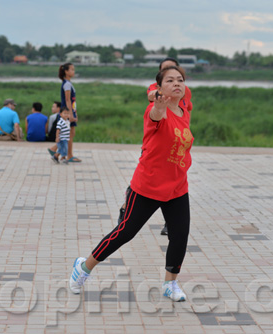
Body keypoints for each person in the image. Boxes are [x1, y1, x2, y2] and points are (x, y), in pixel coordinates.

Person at [70, 66, 194, 302]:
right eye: (170, 81)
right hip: (148, 185)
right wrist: (157, 102)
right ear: (159, 87)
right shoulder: (155, 111)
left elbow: (177, 96)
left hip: (178, 186)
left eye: (180, 80)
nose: (177, 84)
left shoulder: (184, 107)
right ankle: (83, 267)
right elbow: (156, 109)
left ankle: (170, 283)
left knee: (180, 234)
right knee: (125, 232)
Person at [119, 57, 194, 237]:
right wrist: (159, 102)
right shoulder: (156, 90)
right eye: (167, 73)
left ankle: (171, 223)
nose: (175, 80)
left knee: (174, 188)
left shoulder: (184, 91)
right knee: (130, 226)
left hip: (176, 140)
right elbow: (153, 98)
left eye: (177, 75)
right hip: (158, 136)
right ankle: (127, 207)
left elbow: (188, 106)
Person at [59, 63, 81, 162]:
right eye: (71, 70)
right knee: (70, 134)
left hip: (70, 111)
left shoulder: (67, 83)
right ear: (66, 72)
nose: (73, 71)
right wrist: (70, 114)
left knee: (70, 133)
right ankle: (69, 155)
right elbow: (68, 100)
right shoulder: (67, 84)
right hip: (68, 112)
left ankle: (56, 151)